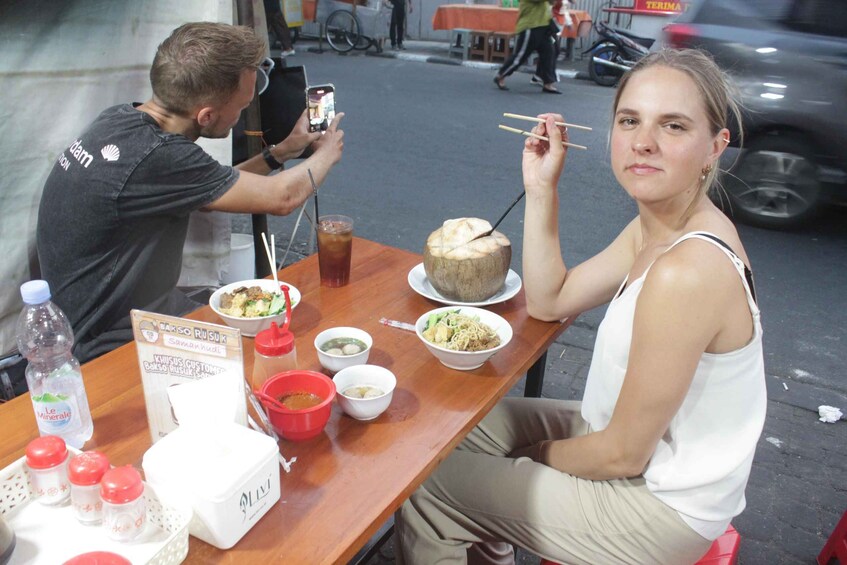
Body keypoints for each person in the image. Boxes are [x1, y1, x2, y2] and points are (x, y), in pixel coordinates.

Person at [395, 49, 766, 564]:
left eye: (674, 126)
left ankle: (464, 524)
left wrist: (534, 458)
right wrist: (541, 187)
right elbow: (551, 301)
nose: (644, 141)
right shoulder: (655, 228)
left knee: (425, 486)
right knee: (452, 431)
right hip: (624, 442)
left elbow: (622, 455)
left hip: (659, 507)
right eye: (630, 120)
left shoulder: (688, 269)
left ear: (715, 147)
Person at [37, 22, 344, 363]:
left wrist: (282, 151)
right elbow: (282, 198)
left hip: (103, 320)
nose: (242, 113)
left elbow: (213, 186)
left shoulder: (120, 121)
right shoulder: (158, 154)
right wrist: (327, 151)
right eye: (242, 106)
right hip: (110, 343)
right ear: (207, 115)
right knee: (289, 347)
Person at [493, 0, 560, 94]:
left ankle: (548, 83)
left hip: (544, 26)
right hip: (530, 27)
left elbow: (552, 3)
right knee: (521, 56)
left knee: (550, 53)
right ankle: (501, 75)